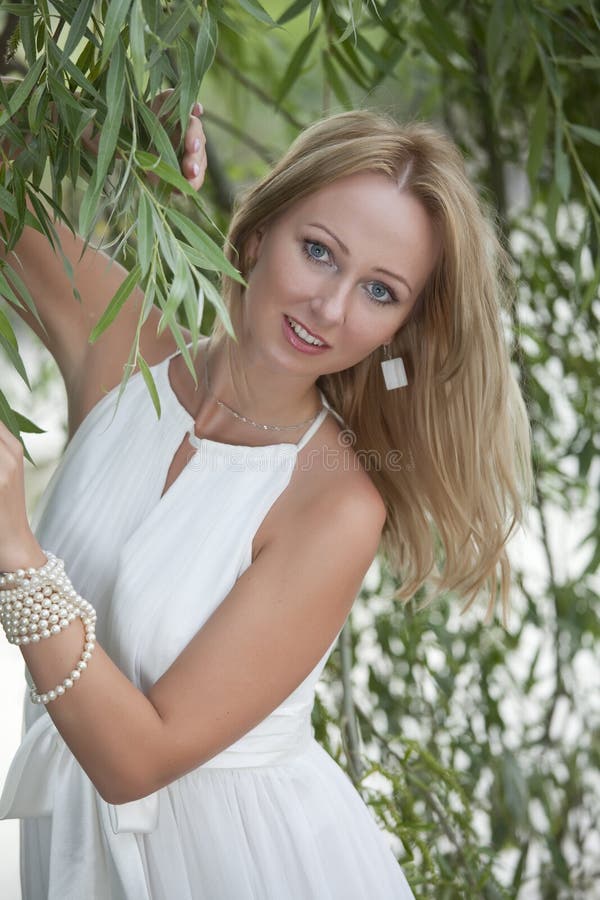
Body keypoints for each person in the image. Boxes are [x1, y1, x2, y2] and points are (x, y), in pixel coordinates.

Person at [0, 100, 533, 899]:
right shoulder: (123, 343)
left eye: (380, 292)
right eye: (319, 251)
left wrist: (14, 552)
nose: (331, 308)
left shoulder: (337, 504)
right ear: (258, 230)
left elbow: (137, 761)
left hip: (236, 866)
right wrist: (92, 120)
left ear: (399, 329)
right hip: (73, 844)